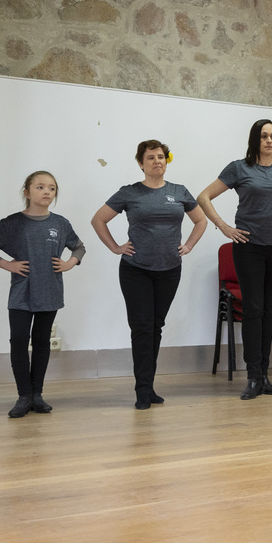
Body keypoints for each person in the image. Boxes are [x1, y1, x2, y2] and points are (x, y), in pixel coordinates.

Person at [197, 119, 272, 400]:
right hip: (249, 247)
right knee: (252, 309)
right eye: (264, 136)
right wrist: (224, 226)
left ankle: (264, 376)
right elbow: (204, 197)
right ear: (255, 139)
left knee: (267, 310)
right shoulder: (239, 168)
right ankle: (252, 376)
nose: (269, 141)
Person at [91, 139, 207, 409]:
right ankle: (142, 390)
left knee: (156, 328)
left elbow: (200, 221)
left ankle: (150, 385)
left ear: (167, 161)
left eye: (161, 157)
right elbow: (99, 219)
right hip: (136, 271)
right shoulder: (129, 193)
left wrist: (188, 245)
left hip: (169, 270)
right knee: (142, 328)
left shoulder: (180, 191)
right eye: (151, 157)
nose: (157, 161)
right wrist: (115, 247)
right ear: (141, 164)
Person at [0, 171, 85, 418]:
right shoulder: (13, 223)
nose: (46, 192)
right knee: (18, 341)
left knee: (41, 343)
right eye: (40, 187)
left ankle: (37, 395)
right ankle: (23, 396)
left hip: (50, 290)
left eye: (51, 188)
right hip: (21, 291)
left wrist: (70, 263)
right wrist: (6, 264)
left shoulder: (60, 223)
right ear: (27, 192)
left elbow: (79, 247)